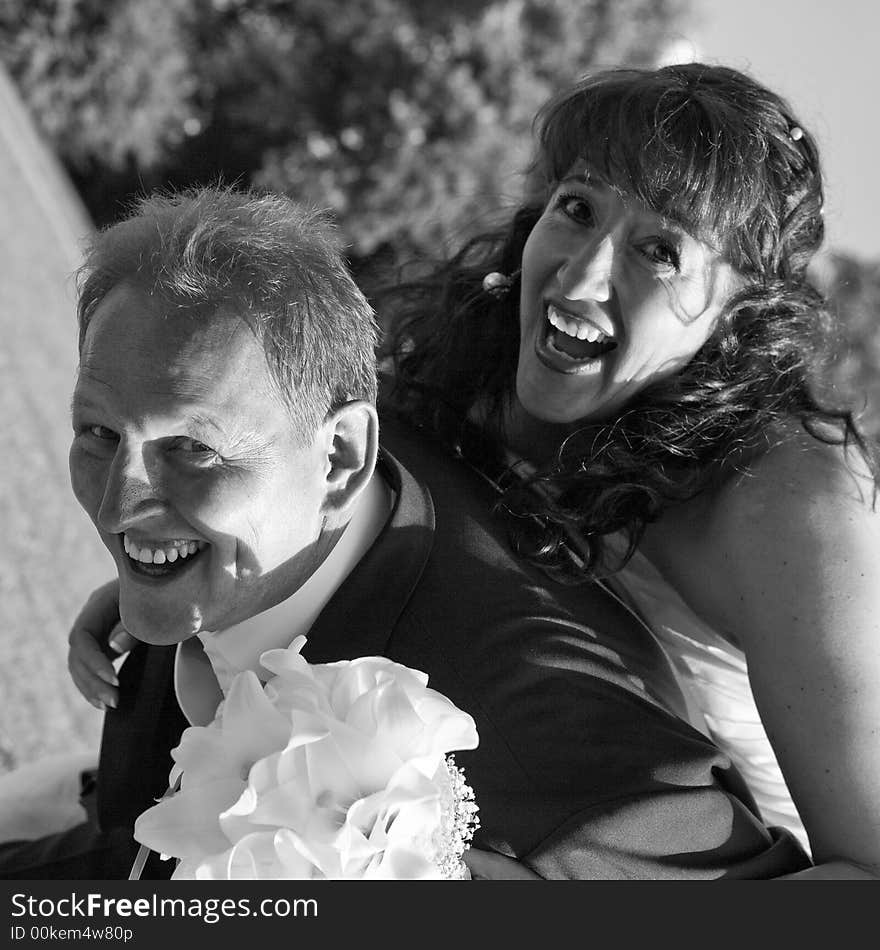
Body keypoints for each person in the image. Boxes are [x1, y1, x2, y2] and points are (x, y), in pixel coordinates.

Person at [0, 185, 810, 880]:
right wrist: (159, 573)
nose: (119, 501)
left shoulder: (551, 767)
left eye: (191, 450)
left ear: (342, 458)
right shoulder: (313, 476)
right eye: (98, 435)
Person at [374, 62, 880, 879]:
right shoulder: (485, 359)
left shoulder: (792, 504)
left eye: (660, 250)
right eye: (578, 208)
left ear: (737, 315)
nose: (579, 276)